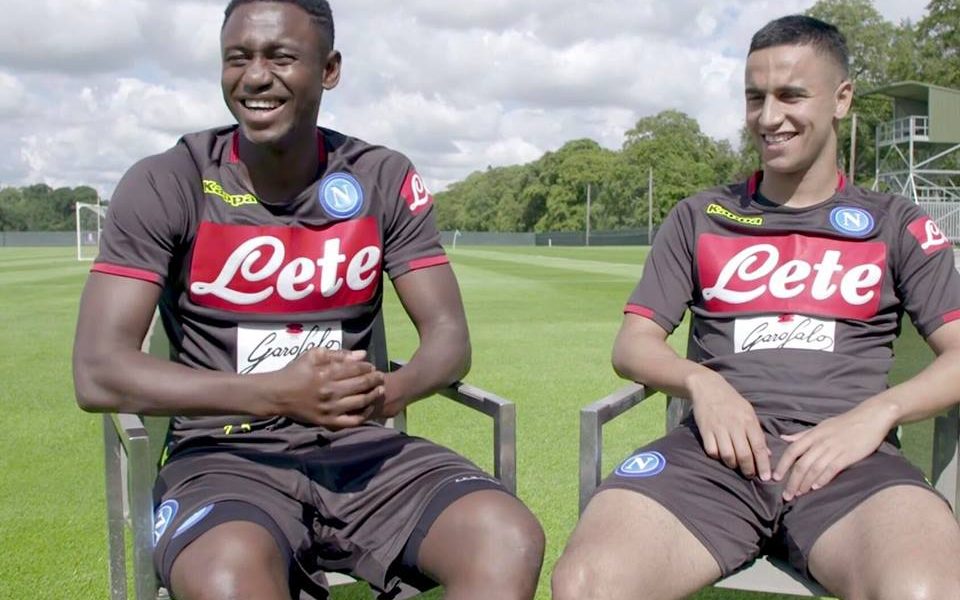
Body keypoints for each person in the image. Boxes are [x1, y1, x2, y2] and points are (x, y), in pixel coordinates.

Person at [72, 1, 545, 599]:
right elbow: (98, 371)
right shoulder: (170, 180)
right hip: (223, 456)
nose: (255, 76)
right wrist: (277, 393)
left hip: (359, 449)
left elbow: (450, 339)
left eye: (280, 57)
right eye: (237, 58)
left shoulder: (380, 176)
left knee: (506, 538)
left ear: (329, 70)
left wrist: (386, 393)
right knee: (229, 575)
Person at [553, 14, 960, 600]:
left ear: (842, 99)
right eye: (755, 97)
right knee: (588, 583)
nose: (769, 117)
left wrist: (878, 413)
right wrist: (702, 383)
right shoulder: (699, 216)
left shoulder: (896, 223)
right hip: (711, 461)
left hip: (850, 463)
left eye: (791, 95)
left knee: (925, 590)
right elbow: (633, 344)